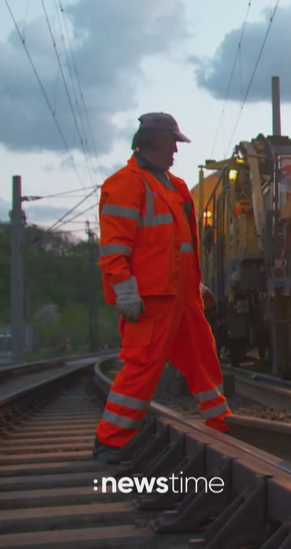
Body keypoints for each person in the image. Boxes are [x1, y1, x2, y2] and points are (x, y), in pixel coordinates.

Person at [93, 112, 231, 461]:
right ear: (152, 142)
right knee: (142, 365)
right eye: (173, 143)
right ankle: (111, 440)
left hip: (182, 296)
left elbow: (180, 245)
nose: (176, 151)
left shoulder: (176, 186)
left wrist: (196, 286)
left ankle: (221, 422)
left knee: (203, 357)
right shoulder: (126, 184)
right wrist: (124, 290)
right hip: (151, 297)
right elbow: (113, 249)